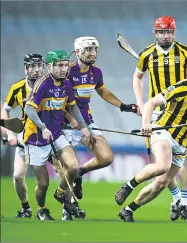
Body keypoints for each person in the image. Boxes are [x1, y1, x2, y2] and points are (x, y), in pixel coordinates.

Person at [117, 56, 187, 222]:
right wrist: (145, 123)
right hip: (164, 131)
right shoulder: (181, 88)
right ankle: (128, 186)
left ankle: (128, 210)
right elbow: (151, 103)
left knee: (161, 184)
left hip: (183, 143)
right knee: (162, 166)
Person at [128, 16, 187, 220]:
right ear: (155, 33)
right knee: (162, 162)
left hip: (182, 110)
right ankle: (177, 198)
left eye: (169, 32)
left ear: (174, 33)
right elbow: (137, 77)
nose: (166, 35)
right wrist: (142, 104)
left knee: (185, 155)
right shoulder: (147, 54)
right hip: (158, 110)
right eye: (162, 32)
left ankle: (184, 200)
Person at [62, 36, 139, 220]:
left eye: (95, 49)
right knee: (67, 168)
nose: (93, 53)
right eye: (88, 49)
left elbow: (103, 91)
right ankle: (68, 208)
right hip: (64, 125)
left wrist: (124, 106)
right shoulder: (67, 72)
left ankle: (81, 173)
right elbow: (59, 101)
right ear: (78, 52)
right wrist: (74, 122)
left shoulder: (95, 72)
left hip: (87, 122)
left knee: (106, 157)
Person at [23, 50, 92, 220]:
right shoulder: (43, 84)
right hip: (35, 139)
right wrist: (42, 127)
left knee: (73, 166)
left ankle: (61, 193)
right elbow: (29, 108)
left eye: (66, 65)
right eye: (59, 65)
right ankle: (42, 209)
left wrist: (83, 126)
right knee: (43, 184)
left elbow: (73, 106)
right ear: (50, 66)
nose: (64, 69)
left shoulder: (67, 84)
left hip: (56, 134)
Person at [1, 53, 44, 218]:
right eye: (32, 66)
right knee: (18, 177)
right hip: (26, 138)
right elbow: (6, 110)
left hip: (49, 137)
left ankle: (68, 208)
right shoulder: (17, 87)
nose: (36, 70)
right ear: (25, 68)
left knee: (65, 171)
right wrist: (10, 133)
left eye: (39, 65)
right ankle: (26, 208)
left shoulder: (49, 84)